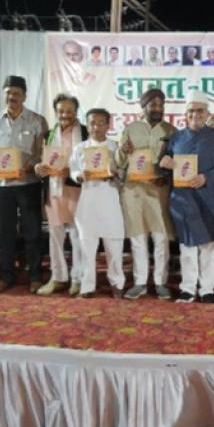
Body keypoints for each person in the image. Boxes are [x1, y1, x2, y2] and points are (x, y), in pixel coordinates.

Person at [159, 90, 214, 303]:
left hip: (209, 198)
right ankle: (188, 288)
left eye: (200, 111)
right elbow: (166, 165)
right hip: (183, 200)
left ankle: (207, 289)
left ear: (207, 113)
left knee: (209, 246)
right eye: (191, 111)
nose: (195, 115)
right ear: (185, 114)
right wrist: (165, 164)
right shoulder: (176, 138)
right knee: (188, 246)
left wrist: (206, 177)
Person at [0, 75, 48, 293]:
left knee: (32, 232)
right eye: (8, 93)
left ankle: (35, 276)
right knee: (5, 232)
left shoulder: (37, 120)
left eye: (17, 93)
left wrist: (28, 168)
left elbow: (41, 153)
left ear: (25, 96)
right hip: (1, 185)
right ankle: (6, 276)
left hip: (28, 183)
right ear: (3, 95)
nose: (12, 97)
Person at [116, 88, 177, 300]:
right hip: (134, 191)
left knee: (161, 238)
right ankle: (140, 282)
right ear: (144, 107)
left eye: (161, 105)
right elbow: (118, 163)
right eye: (153, 105)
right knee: (138, 238)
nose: (157, 109)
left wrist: (167, 177)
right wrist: (123, 150)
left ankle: (160, 282)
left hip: (159, 190)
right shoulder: (130, 129)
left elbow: (177, 162)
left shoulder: (171, 131)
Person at [33, 94, 88, 296]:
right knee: (55, 235)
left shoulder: (85, 131)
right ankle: (58, 277)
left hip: (77, 190)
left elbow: (92, 161)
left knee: (77, 235)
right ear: (56, 112)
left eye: (69, 110)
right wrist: (39, 167)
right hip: (54, 190)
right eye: (61, 111)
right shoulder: (48, 134)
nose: (65, 114)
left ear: (76, 111)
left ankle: (78, 278)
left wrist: (72, 170)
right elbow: (41, 160)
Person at [70, 108, 126, 299]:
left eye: (101, 122)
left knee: (114, 246)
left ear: (108, 125)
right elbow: (73, 170)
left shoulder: (116, 148)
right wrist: (79, 176)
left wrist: (115, 174)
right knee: (87, 247)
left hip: (110, 200)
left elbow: (125, 174)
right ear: (87, 125)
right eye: (92, 123)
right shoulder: (80, 148)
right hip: (88, 202)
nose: (96, 127)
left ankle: (117, 283)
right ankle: (87, 286)